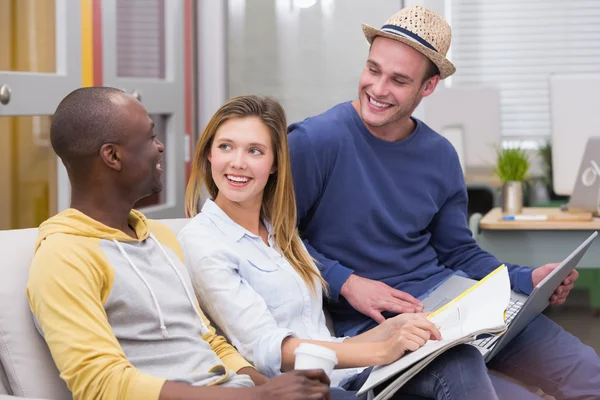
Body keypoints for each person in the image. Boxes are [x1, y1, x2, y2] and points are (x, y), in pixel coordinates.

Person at [287, 4, 600, 399]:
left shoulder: (439, 154)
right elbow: (274, 238)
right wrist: (345, 282)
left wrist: (527, 278)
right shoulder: (314, 142)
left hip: (458, 302)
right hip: (382, 326)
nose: (378, 89)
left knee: (588, 372)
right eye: (373, 70)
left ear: (428, 87)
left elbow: (459, 252)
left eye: (399, 80)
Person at [177, 94, 541, 400]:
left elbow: (318, 334)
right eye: (226, 147)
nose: (238, 162)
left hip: (346, 374)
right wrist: (381, 349)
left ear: (274, 165)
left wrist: (397, 329)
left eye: (254, 151)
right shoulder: (203, 240)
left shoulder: (281, 233)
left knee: (458, 357)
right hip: (303, 387)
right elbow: (269, 349)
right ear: (208, 155)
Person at [26, 87, 334, 400]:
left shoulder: (160, 237)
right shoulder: (63, 258)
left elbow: (208, 341)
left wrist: (274, 391)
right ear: (113, 156)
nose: (159, 147)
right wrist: (261, 397)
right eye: (149, 137)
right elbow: (103, 385)